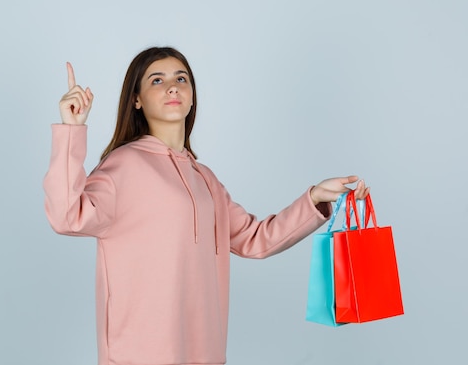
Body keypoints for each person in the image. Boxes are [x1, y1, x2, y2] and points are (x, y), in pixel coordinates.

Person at [43, 46, 369, 365]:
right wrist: (72, 131)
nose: (173, 86)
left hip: (204, 354)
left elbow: (255, 238)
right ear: (136, 100)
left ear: (192, 94)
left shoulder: (205, 179)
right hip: (138, 355)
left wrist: (314, 198)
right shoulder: (123, 165)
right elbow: (67, 216)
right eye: (157, 80)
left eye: (181, 78)